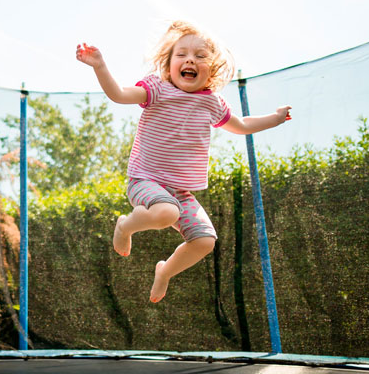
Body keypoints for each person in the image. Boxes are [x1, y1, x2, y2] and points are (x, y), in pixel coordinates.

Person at [76, 21, 292, 303]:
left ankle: (165, 271)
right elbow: (118, 95)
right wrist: (99, 65)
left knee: (204, 240)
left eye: (200, 56)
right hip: (145, 180)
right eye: (182, 55)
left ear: (211, 69)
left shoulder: (212, 103)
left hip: (180, 191)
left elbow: (240, 125)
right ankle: (125, 226)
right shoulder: (157, 89)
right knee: (167, 213)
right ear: (168, 66)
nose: (190, 59)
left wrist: (275, 119)